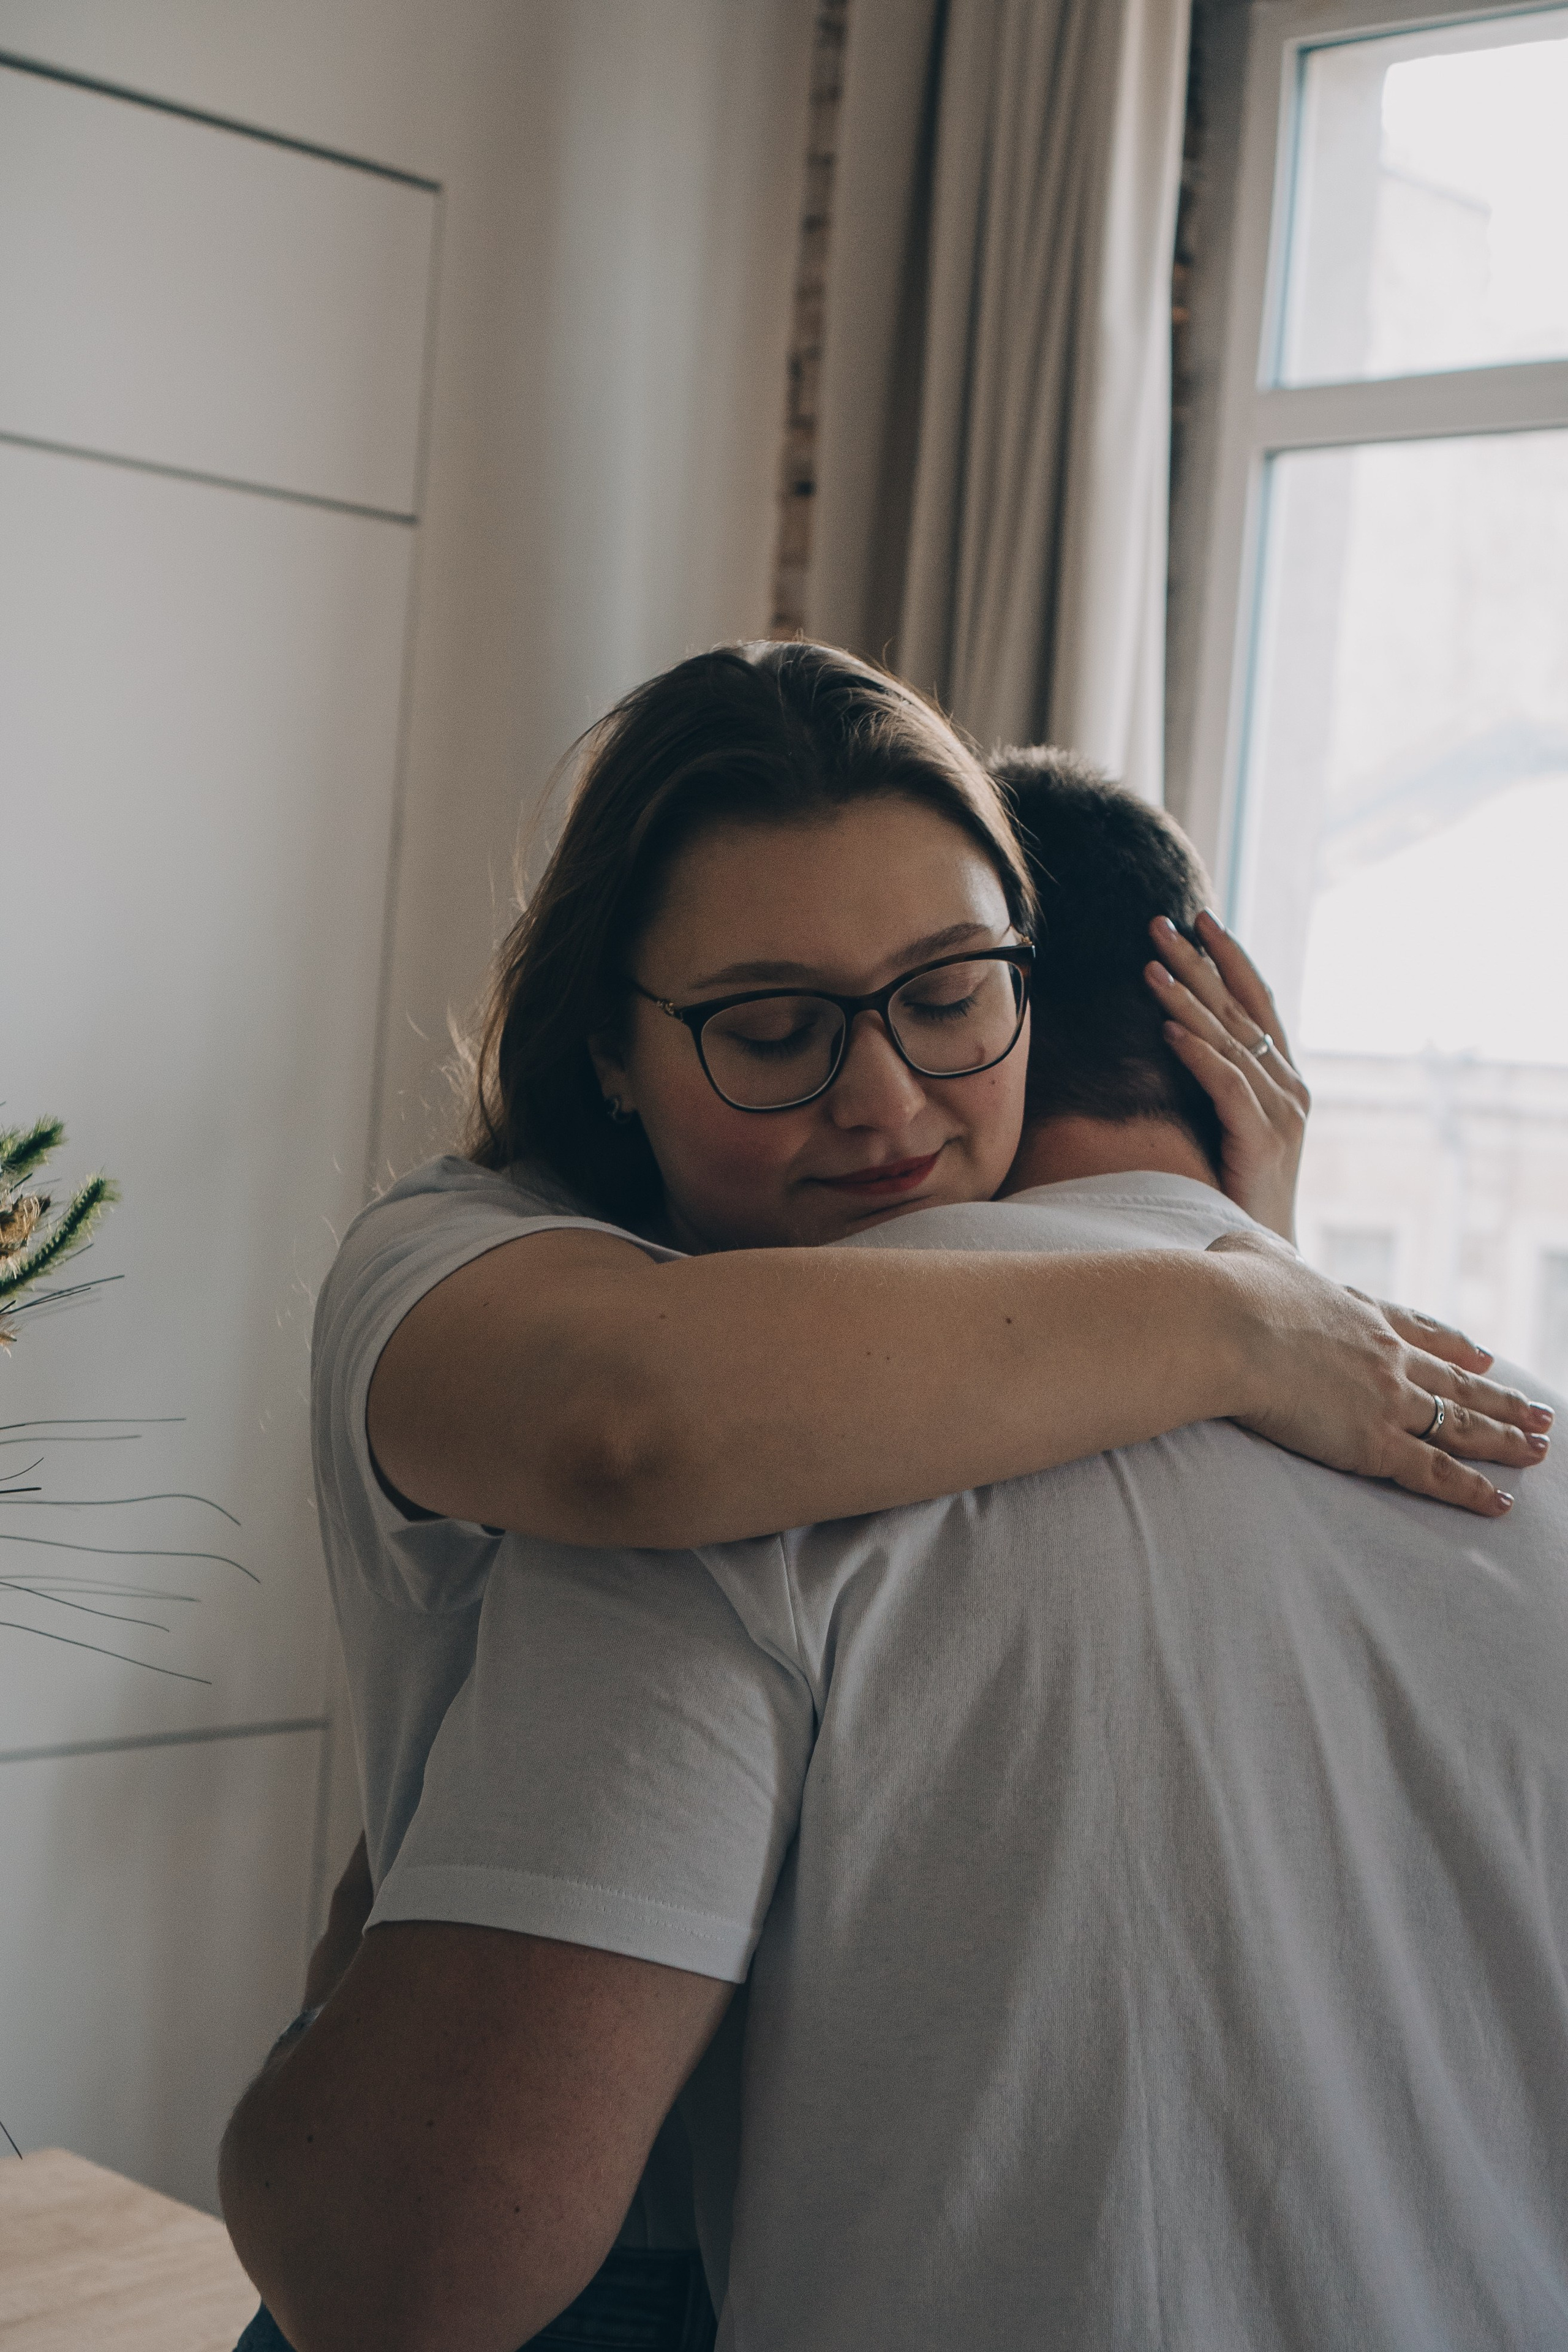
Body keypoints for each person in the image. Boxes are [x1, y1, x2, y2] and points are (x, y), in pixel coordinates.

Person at [220, 654, 1551, 2348]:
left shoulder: (1060, 1368)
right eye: (770, 1031)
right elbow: (633, 1423)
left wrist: (1227, 1235)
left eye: (950, 997)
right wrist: (1236, 1302)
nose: (885, 1106)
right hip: (568, 2212)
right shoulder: (475, 1254)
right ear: (607, 1051)